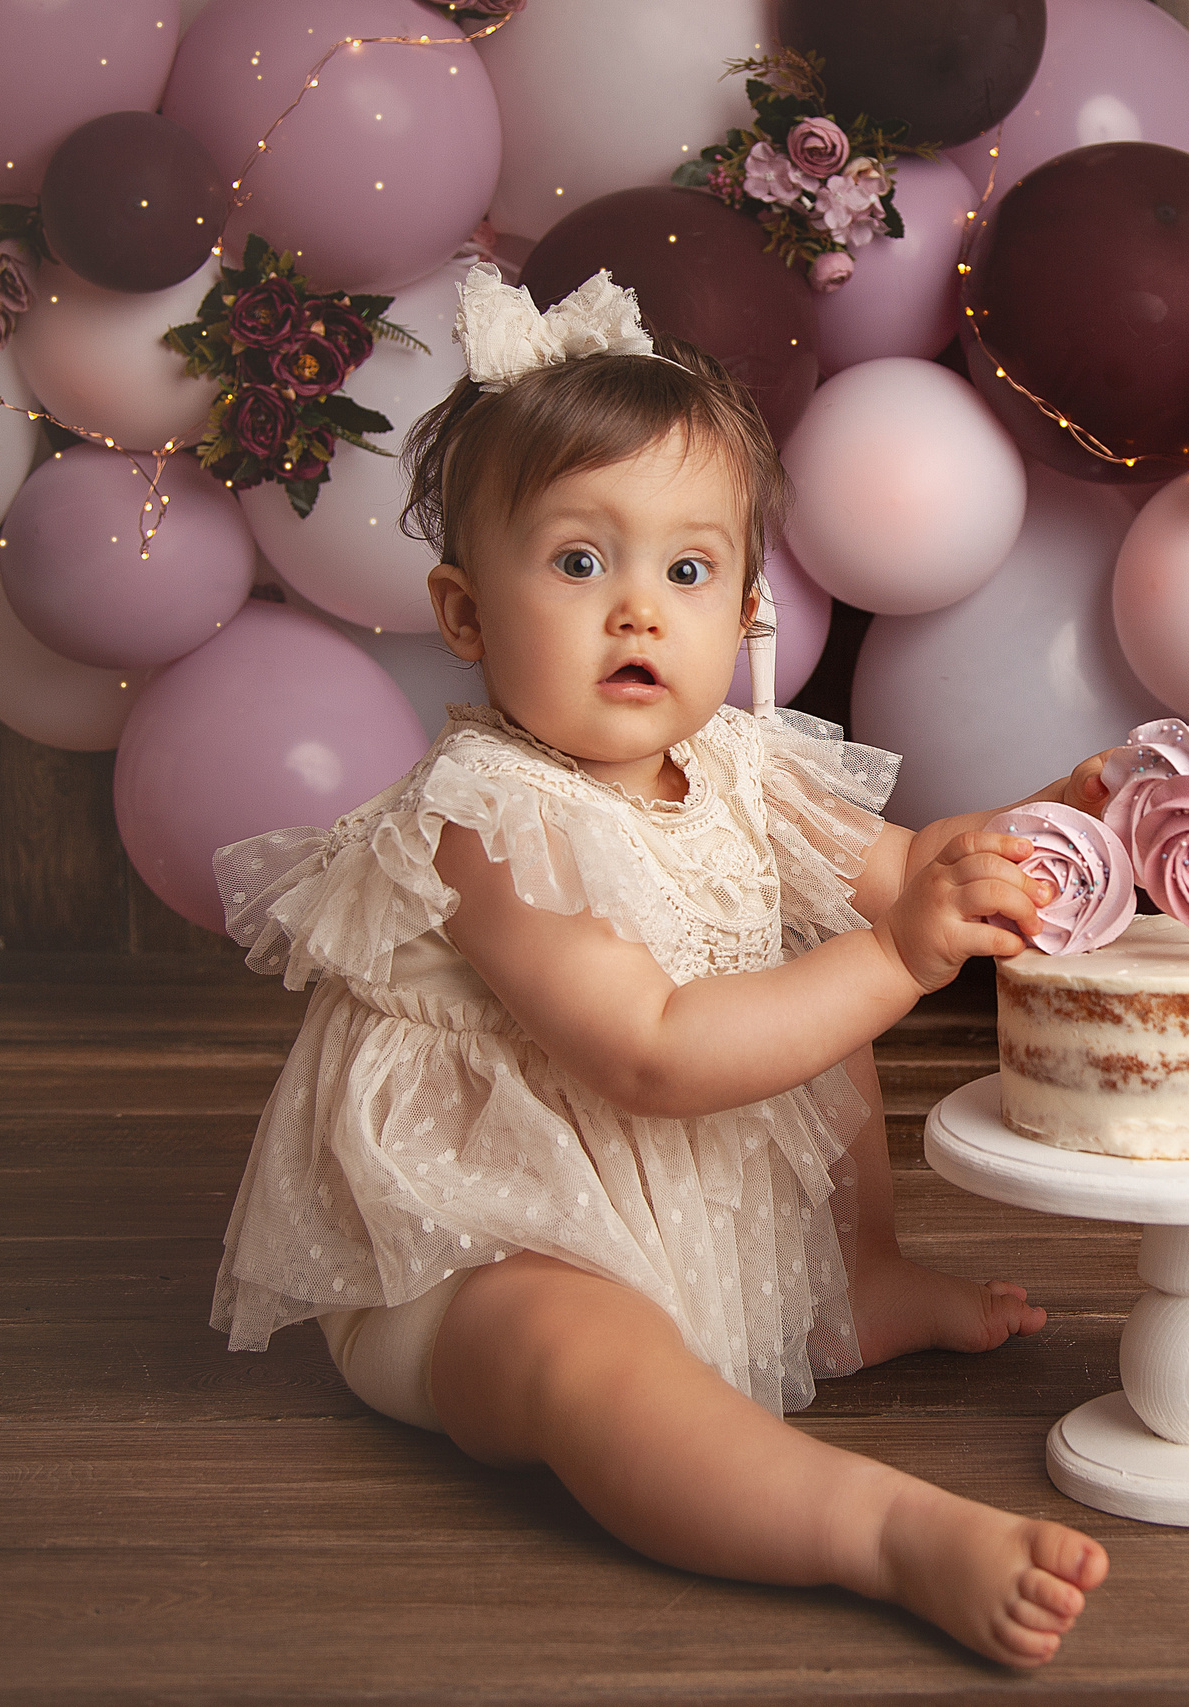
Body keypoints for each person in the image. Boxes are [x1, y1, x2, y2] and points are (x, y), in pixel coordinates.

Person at [208, 264, 1111, 1666]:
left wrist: (1055, 822)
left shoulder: (745, 767)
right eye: (580, 562)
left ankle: (854, 1281)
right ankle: (878, 1532)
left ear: (745, 607)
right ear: (465, 614)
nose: (638, 610)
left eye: (686, 571)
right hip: (476, 1246)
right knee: (587, 1362)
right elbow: (652, 1052)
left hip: (694, 1210)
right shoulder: (486, 823)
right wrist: (897, 952)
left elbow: (912, 866)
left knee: (821, 980)